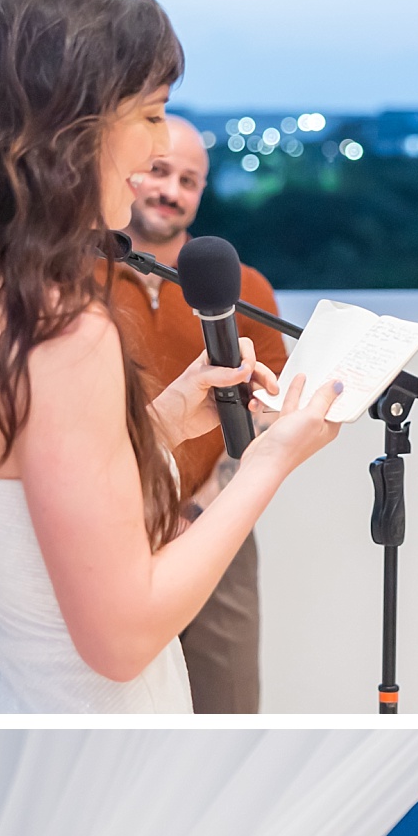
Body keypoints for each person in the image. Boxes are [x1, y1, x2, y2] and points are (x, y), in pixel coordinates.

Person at [0, 0, 342, 715]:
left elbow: (32, 492)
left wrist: (164, 418)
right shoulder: (62, 335)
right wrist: (273, 456)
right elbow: (121, 640)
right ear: (72, 125)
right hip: (95, 748)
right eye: (152, 112)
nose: (159, 150)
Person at [111, 113, 288, 712]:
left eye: (190, 181)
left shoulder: (244, 289)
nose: (172, 191)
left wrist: (201, 509)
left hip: (214, 527)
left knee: (227, 708)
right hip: (104, 525)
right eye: (160, 171)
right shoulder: (69, 283)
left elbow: (266, 412)